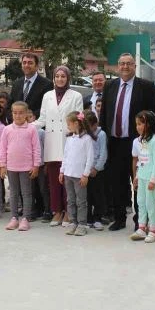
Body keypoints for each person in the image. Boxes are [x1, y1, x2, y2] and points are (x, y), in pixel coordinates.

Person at [99, 53, 155, 231]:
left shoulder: (146, 87)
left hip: (139, 144)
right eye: (122, 64)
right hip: (115, 142)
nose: (125, 67)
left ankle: (139, 221)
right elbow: (104, 116)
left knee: (139, 181)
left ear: (134, 66)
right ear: (117, 66)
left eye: (129, 64)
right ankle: (118, 218)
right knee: (117, 183)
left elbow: (154, 115)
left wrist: (148, 140)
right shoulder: (109, 85)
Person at [35, 66, 84, 227]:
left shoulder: (76, 95)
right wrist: (27, 126)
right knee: (54, 180)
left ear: (68, 78)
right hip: (52, 141)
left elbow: (79, 118)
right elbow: (42, 119)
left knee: (68, 179)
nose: (60, 79)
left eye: (63, 76)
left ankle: (69, 212)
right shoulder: (47, 95)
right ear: (53, 78)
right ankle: (56, 211)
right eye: (57, 76)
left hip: (69, 141)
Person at [0, 101, 41, 232]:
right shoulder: (7, 129)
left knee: (26, 193)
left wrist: (36, 165)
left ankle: (25, 218)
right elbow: (2, 148)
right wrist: (2, 165)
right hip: (11, 167)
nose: (18, 116)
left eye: (21, 113)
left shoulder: (31, 129)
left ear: (27, 114)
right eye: (15, 113)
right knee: (13, 193)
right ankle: (14, 217)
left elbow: (36, 148)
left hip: (26, 167)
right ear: (11, 114)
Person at [59, 111, 96, 237]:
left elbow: (90, 158)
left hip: (79, 176)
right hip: (68, 175)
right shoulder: (69, 138)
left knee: (81, 201)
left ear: (76, 123)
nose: (67, 126)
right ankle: (73, 222)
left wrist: (85, 174)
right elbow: (66, 156)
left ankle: (82, 224)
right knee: (70, 200)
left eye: (69, 124)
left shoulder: (87, 139)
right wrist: (62, 171)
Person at [128, 111, 155, 243]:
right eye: (137, 124)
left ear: (149, 124)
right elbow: (141, 160)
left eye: (141, 124)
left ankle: (154, 229)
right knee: (140, 202)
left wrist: (153, 179)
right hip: (141, 177)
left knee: (150, 203)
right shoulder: (140, 140)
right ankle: (142, 227)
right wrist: (136, 176)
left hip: (150, 179)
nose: (138, 127)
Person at [84, 110, 108, 231]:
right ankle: (88, 218)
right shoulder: (84, 134)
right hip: (86, 170)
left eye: (90, 127)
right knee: (87, 196)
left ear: (95, 124)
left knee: (98, 195)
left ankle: (98, 218)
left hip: (98, 171)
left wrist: (97, 167)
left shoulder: (101, 134)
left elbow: (103, 153)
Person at [10, 53, 53, 119]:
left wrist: (30, 116)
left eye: (30, 63)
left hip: (36, 124)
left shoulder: (47, 84)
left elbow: (47, 107)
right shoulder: (16, 84)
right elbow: (10, 105)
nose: (26, 65)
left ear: (37, 66)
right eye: (24, 63)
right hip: (17, 125)